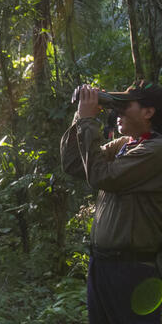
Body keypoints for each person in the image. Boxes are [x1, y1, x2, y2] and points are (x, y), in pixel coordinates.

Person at [61, 80, 162, 324]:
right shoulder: (125, 145)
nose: (117, 111)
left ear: (149, 112)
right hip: (103, 265)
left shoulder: (156, 150)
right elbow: (75, 165)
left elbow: (100, 176)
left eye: (125, 105)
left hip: (135, 269)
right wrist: (80, 117)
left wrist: (88, 121)